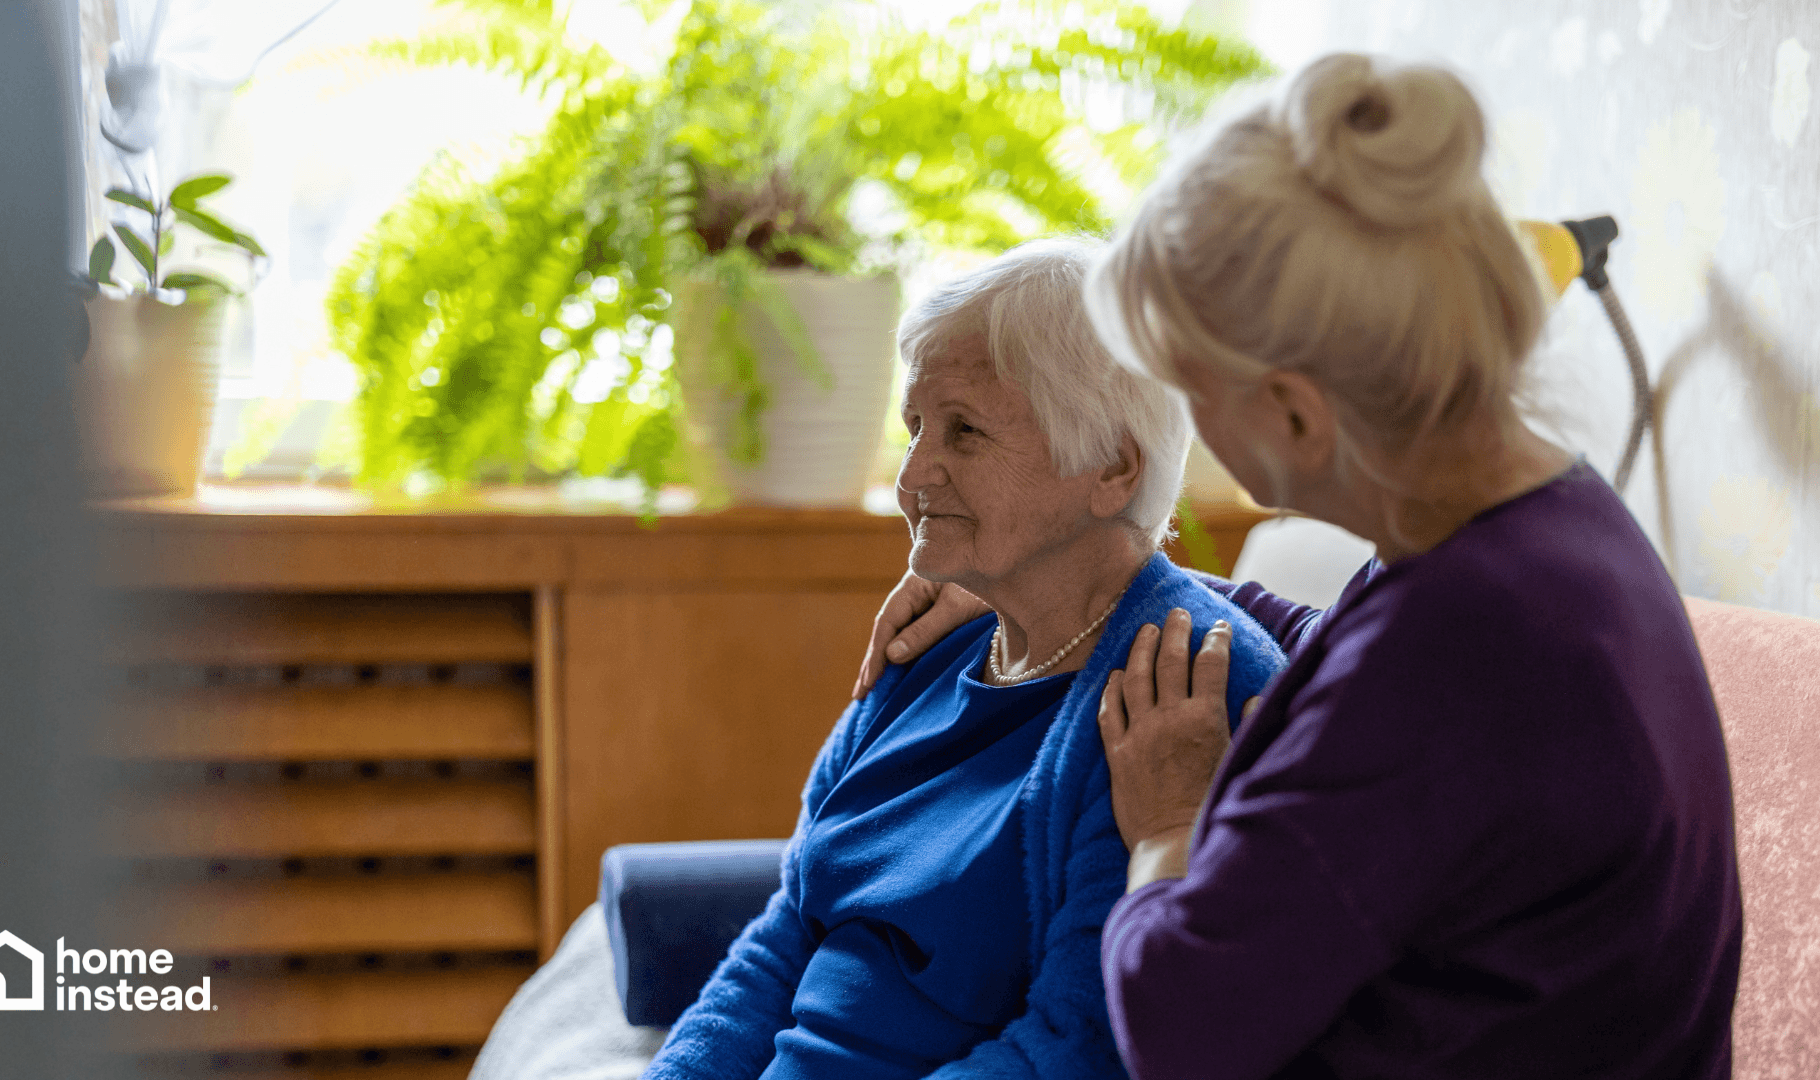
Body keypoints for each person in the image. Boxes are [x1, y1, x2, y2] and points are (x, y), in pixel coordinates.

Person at [855, 54, 1742, 1080]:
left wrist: (1169, 824)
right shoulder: (1547, 524)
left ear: (1294, 415)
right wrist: (1071, 575)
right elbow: (1355, 671)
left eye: (1189, 388)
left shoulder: (1454, 656)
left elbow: (1179, 1028)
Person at [642, 240, 1285, 1080]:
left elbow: (1079, 1045)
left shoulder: (1183, 691)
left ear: (1113, 467)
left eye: (965, 433)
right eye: (913, 428)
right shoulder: (926, 646)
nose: (912, 477)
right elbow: (785, 936)